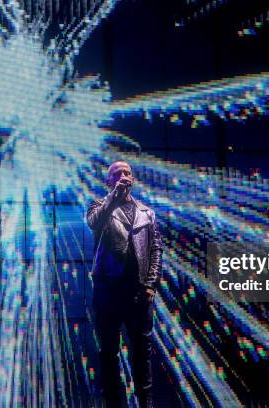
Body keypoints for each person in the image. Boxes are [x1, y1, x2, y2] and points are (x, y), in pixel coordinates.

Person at [86, 160, 163, 408]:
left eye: (127, 172)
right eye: (117, 173)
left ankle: (146, 404)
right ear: (109, 181)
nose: (123, 176)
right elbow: (94, 223)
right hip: (108, 290)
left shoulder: (147, 213)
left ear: (133, 179)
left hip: (138, 293)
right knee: (108, 353)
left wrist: (150, 285)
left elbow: (156, 250)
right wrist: (113, 197)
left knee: (141, 353)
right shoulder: (99, 206)